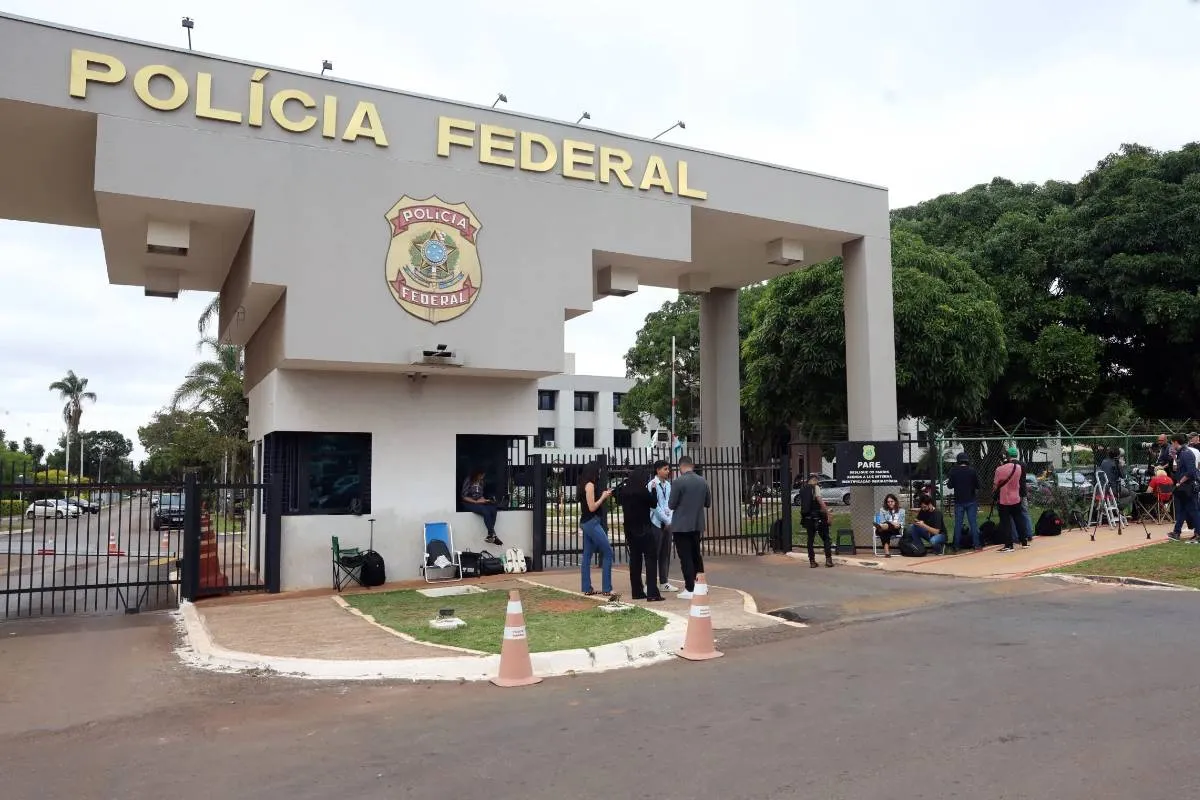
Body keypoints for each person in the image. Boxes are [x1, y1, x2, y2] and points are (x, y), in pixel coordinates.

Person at [667, 455, 710, 599]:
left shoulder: (678, 482)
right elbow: (707, 503)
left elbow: (671, 504)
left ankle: (690, 588)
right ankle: (702, 586)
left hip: (681, 525)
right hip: (697, 524)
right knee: (696, 555)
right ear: (692, 465)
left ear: (681, 467)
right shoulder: (703, 481)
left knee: (685, 557)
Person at [620, 464, 662, 601]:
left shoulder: (625, 491)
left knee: (635, 559)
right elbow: (654, 503)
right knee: (650, 558)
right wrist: (654, 491)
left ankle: (636, 591)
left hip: (629, 530)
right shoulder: (642, 491)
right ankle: (652, 593)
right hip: (644, 528)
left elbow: (618, 499)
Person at [577, 461, 615, 596]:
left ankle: (587, 588)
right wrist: (603, 497)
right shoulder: (590, 485)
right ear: (593, 472)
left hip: (588, 522)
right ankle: (607, 588)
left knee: (587, 555)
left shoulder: (584, 484)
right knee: (608, 552)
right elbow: (592, 507)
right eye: (597, 471)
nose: (599, 473)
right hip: (591, 522)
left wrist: (603, 495)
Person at [647, 459, 678, 593]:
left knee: (665, 553)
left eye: (668, 469)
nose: (668, 472)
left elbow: (670, 503)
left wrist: (669, 519)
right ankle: (650, 583)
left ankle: (664, 582)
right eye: (665, 469)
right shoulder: (652, 484)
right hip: (656, 523)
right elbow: (654, 507)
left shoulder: (668, 485)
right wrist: (666, 520)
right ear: (657, 470)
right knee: (654, 553)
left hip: (668, 523)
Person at [993, 447, 1027, 552]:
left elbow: (995, 485)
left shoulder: (999, 469)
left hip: (1004, 499)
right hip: (1016, 497)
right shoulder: (1018, 467)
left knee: (1006, 522)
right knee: (1019, 519)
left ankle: (1009, 545)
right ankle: (1024, 541)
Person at [795, 474, 834, 568]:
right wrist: (827, 512)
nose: (818, 482)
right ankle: (828, 560)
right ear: (813, 480)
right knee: (826, 538)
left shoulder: (802, 489)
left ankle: (812, 561)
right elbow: (819, 500)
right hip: (818, 516)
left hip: (807, 518)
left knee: (810, 540)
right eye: (817, 480)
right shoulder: (815, 487)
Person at [946, 452, 982, 551]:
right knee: (973, 523)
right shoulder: (972, 471)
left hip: (959, 501)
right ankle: (977, 545)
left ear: (958, 461)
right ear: (967, 461)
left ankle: (956, 546)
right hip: (971, 499)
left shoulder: (954, 471)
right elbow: (978, 485)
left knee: (958, 524)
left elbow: (949, 485)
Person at [1169, 434, 1200, 542]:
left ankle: (1198, 533)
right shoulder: (1181, 453)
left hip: (1188, 486)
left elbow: (1190, 471)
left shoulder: (1186, 453)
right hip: (1183, 486)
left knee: (1193, 510)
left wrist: (1180, 482)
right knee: (1182, 510)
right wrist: (1174, 458)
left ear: (1176, 442)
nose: (1172, 445)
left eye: (1172, 443)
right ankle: (1176, 532)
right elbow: (1179, 469)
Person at [460, 469, 502, 545]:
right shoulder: (468, 480)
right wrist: (476, 501)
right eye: (481, 475)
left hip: (478, 503)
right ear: (477, 474)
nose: (482, 477)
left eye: (483, 476)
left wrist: (485, 500)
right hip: (468, 503)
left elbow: (479, 496)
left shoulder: (481, 482)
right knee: (485, 511)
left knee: (493, 509)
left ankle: (490, 535)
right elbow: (464, 496)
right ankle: (492, 535)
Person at [872, 493, 904, 558]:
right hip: (886, 528)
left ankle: (880, 528)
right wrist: (892, 523)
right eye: (888, 502)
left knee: (883, 529)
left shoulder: (901, 511)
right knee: (885, 530)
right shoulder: (883, 510)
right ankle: (887, 553)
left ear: (895, 501)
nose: (890, 503)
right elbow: (882, 521)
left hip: (895, 529)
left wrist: (898, 524)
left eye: (892, 501)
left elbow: (902, 522)